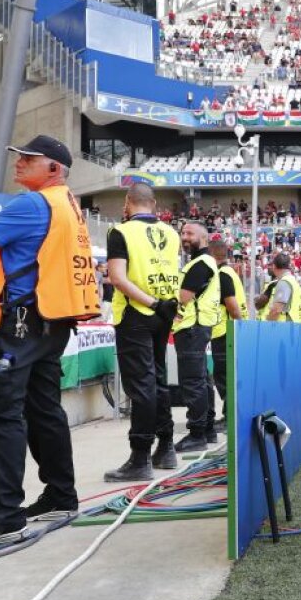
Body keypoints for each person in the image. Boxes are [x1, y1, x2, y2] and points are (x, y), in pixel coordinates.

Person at [0, 136, 100, 548]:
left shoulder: (32, 204)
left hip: (17, 322)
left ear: (53, 168)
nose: (18, 164)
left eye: (28, 160)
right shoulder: (67, 205)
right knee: (43, 409)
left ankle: (2, 516)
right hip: (50, 322)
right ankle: (60, 494)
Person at [104, 183, 182, 482]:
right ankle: (166, 447)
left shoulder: (121, 232)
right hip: (164, 312)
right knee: (159, 380)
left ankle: (140, 456)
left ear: (128, 201)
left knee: (142, 386)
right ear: (154, 203)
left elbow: (118, 278)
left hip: (138, 312)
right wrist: (163, 305)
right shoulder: (171, 233)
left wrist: (151, 303)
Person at [172, 222, 221, 452]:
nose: (185, 237)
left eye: (190, 233)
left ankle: (197, 434)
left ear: (203, 237)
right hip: (198, 327)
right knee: (202, 380)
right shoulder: (202, 262)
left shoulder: (201, 263)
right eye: (183, 233)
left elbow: (183, 296)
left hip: (192, 327)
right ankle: (207, 431)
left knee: (193, 383)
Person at [208, 238, 244, 434]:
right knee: (228, 376)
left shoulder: (221, 274)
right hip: (231, 330)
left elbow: (231, 305)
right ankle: (231, 414)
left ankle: (230, 417)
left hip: (225, 332)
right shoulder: (231, 272)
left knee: (224, 377)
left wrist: (236, 325)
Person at [258, 253, 301, 323]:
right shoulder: (293, 281)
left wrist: (266, 326)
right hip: (295, 326)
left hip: (285, 327)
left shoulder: (284, 282)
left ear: (274, 266)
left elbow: (276, 310)